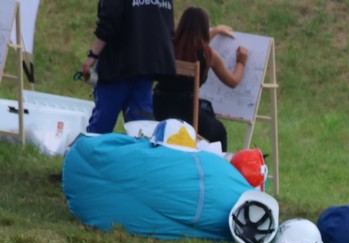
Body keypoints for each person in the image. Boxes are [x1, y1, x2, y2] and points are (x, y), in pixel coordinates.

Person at [152, 7, 247, 152]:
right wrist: (241, 61)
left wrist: (214, 32)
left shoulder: (168, 47)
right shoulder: (207, 55)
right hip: (187, 113)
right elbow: (233, 81)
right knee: (219, 132)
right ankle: (215, 168)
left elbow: (191, 45)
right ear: (204, 28)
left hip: (160, 107)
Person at [79, 0, 176, 134]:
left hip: (118, 64)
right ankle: (141, 154)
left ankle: (90, 153)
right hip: (146, 65)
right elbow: (168, 26)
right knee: (142, 128)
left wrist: (92, 56)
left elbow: (109, 21)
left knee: (102, 125)